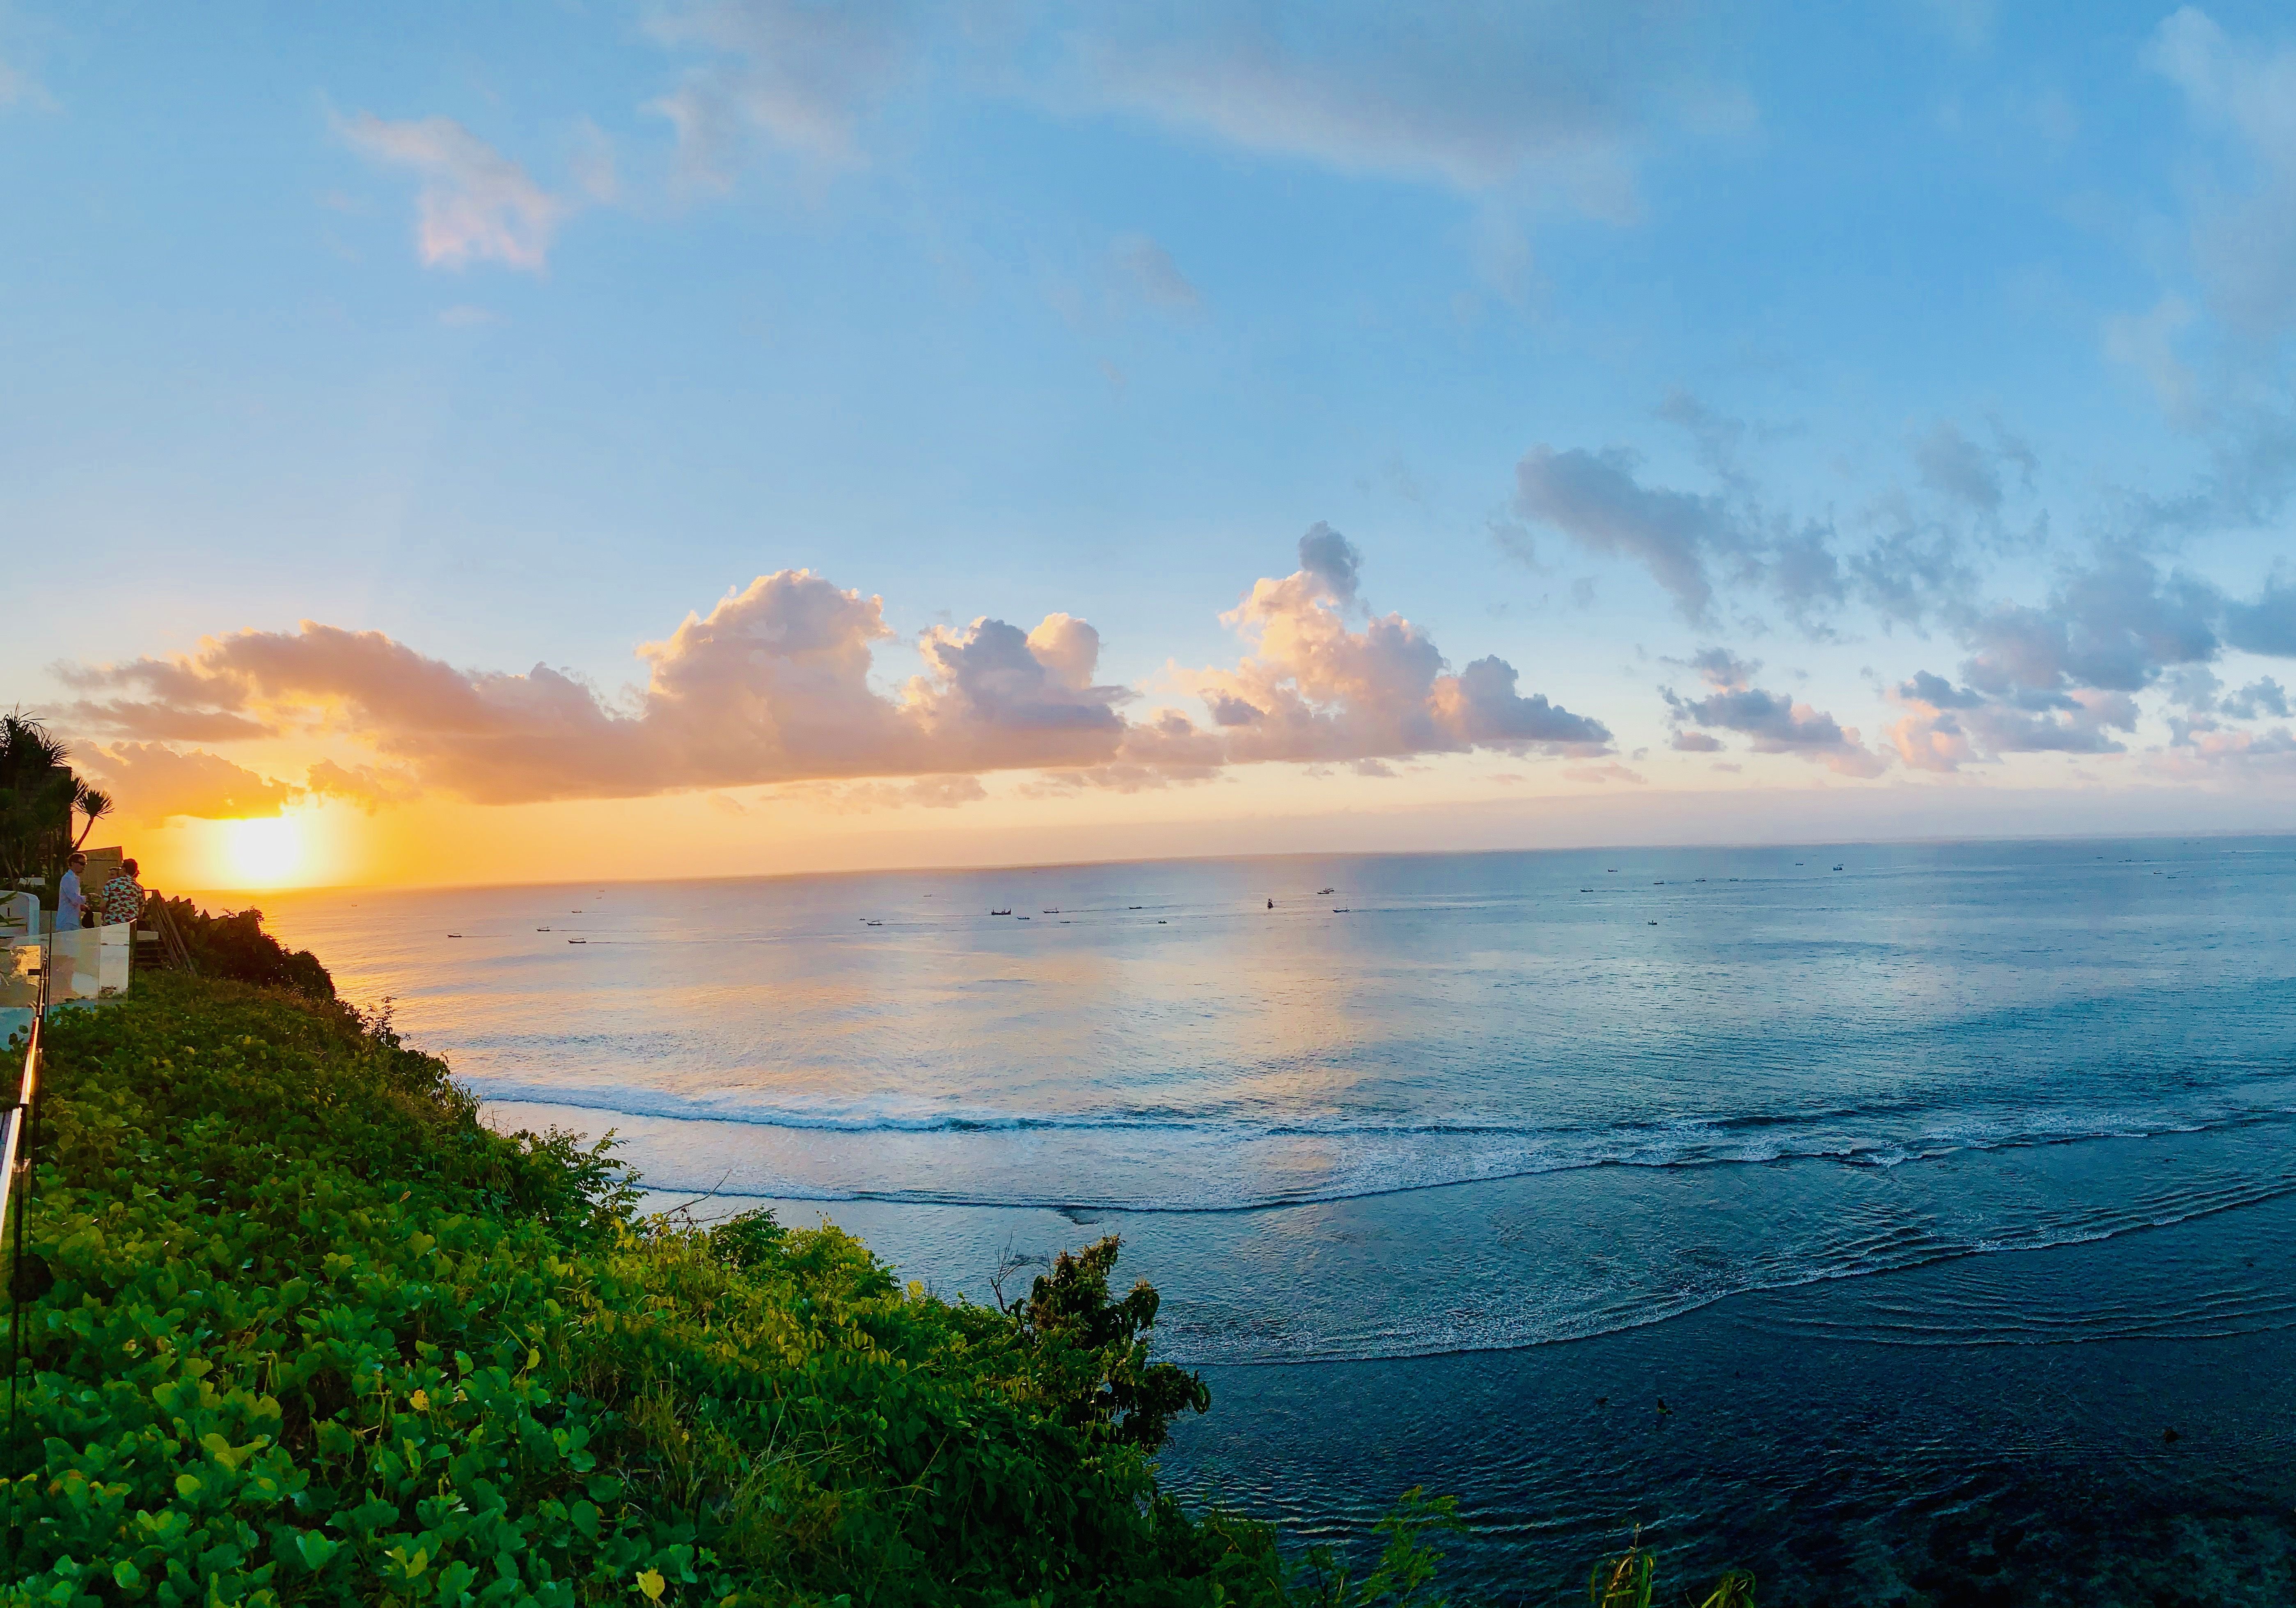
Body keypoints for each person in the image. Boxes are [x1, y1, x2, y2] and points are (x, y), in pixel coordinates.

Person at [100, 857, 145, 926]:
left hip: (112, 923)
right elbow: (141, 911)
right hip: (130, 925)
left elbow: (103, 906)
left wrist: (104, 916)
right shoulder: (139, 888)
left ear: (124, 870)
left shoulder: (111, 884)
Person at [57, 851, 87, 930]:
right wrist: (88, 897)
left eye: (85, 864)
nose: (84, 867)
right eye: (82, 864)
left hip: (73, 920)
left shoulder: (75, 879)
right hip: (67, 921)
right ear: (73, 863)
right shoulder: (68, 879)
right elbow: (75, 899)